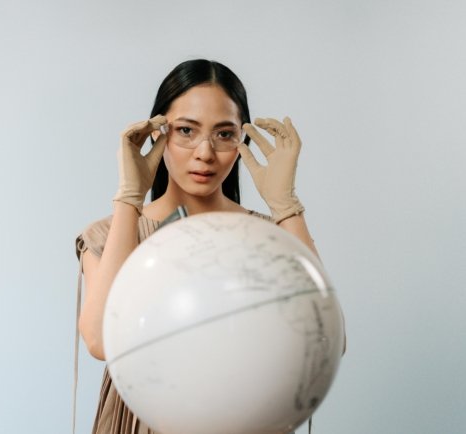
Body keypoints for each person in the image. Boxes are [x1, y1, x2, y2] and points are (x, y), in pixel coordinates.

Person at [74, 59, 330, 434]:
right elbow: (99, 340)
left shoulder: (266, 237)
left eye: (224, 134)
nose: (205, 153)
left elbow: (325, 341)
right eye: (185, 131)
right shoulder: (109, 234)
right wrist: (130, 197)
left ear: (240, 140)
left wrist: (285, 206)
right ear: (158, 133)